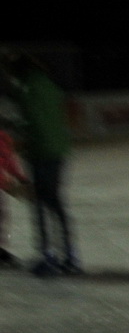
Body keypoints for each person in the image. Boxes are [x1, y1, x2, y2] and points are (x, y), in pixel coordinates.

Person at [3, 54, 80, 275]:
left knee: (39, 204)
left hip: (41, 152)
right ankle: (70, 255)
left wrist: (19, 136)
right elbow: (55, 116)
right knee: (55, 202)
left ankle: (48, 256)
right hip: (59, 151)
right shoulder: (49, 85)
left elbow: (34, 122)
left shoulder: (27, 90)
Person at [0, 122, 27, 267]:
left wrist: (20, 177)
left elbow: (9, 160)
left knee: (3, 216)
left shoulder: (3, 138)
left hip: (1, 185)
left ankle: (2, 249)